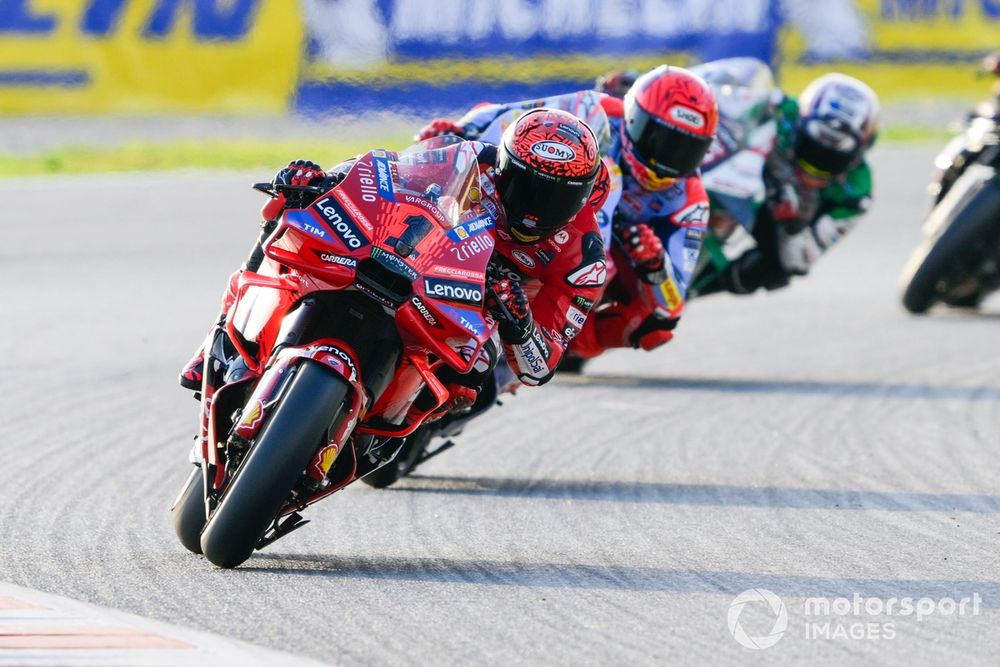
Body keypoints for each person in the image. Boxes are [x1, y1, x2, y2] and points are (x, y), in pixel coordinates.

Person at [179, 107, 611, 395]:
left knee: (477, 384)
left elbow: (540, 368)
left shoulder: (585, 256)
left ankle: (400, 414)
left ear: (585, 197)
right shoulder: (473, 162)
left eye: (555, 197)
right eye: (525, 185)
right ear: (503, 165)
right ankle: (216, 343)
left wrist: (519, 324)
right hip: (424, 266)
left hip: (481, 316)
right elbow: (384, 175)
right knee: (291, 214)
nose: (535, 209)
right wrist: (323, 180)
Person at [416, 65, 719, 360]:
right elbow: (516, 117)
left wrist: (656, 268)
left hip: (605, 253)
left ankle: (564, 343)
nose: (665, 161)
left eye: (685, 150)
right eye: (660, 139)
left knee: (658, 328)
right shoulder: (592, 109)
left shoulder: (692, 202)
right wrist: (460, 130)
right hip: (543, 215)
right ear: (633, 117)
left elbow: (673, 302)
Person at [693, 71, 879, 296]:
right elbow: (723, 103)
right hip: (741, 174)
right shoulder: (782, 109)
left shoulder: (858, 192)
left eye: (832, 158)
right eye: (811, 147)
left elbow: (804, 256)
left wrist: (792, 227)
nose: (815, 167)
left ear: (858, 154)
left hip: (782, 219)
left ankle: (693, 289)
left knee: (778, 269)